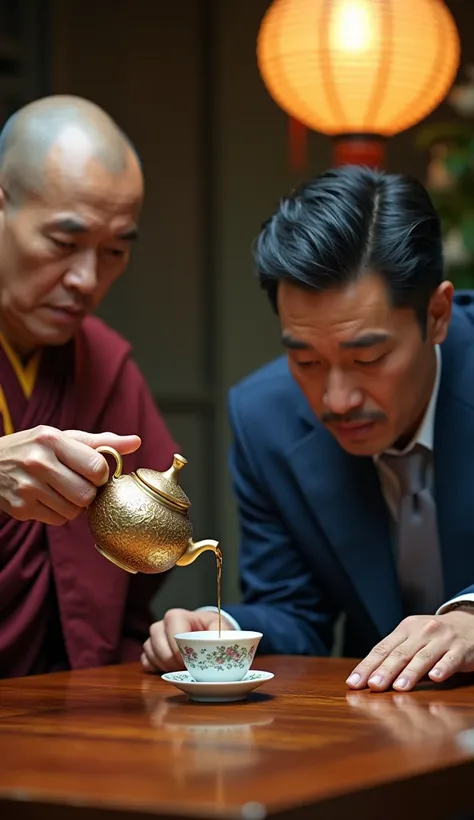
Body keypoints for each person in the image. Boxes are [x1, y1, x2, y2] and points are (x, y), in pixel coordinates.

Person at [143, 164, 474, 693]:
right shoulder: (264, 417)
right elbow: (295, 611)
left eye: (369, 358)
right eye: (307, 362)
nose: (336, 400)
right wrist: (224, 629)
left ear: (436, 315)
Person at [0, 95, 178, 678]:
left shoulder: (102, 361)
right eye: (62, 243)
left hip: (76, 703)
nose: (86, 280)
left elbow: (139, 580)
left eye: (114, 251)